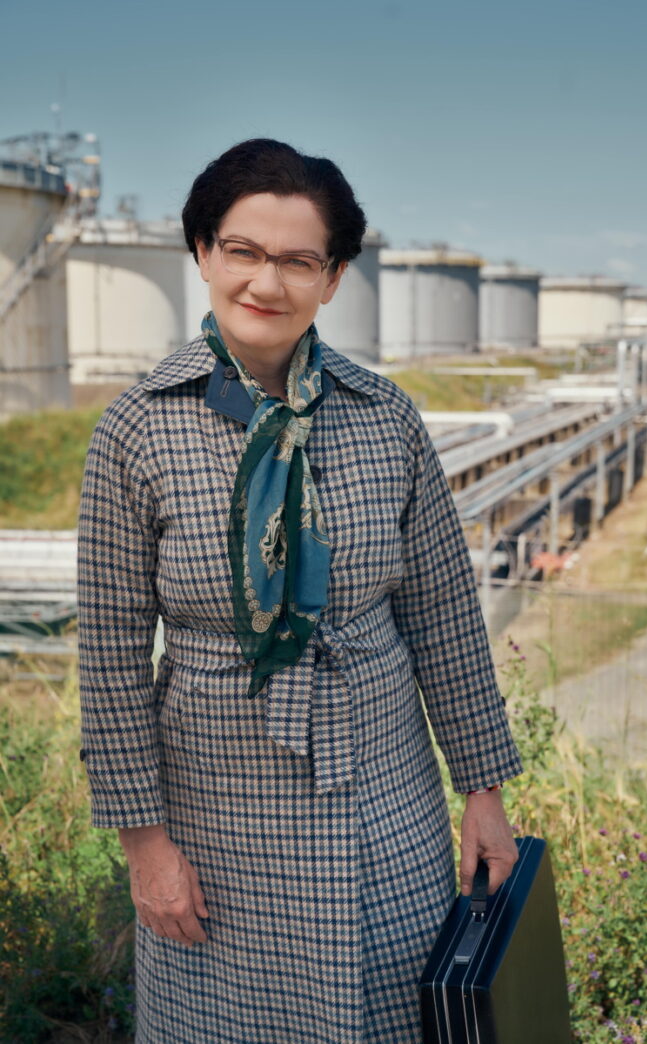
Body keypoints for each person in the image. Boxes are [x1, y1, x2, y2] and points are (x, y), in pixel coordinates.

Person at [77, 138, 523, 1044]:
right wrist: (145, 847)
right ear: (202, 253)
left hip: (382, 798)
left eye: (296, 260)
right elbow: (113, 659)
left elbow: (441, 613)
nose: (264, 282)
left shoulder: (383, 417)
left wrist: (483, 790)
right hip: (213, 818)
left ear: (334, 277)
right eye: (241, 250)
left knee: (392, 1012)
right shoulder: (137, 429)